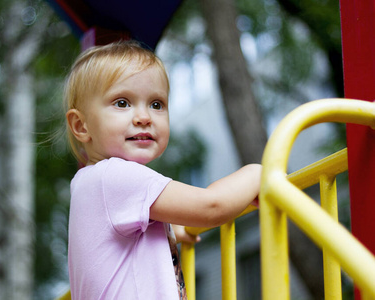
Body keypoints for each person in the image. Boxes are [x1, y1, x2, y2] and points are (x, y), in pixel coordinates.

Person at [64, 40, 261, 300]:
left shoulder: (91, 182)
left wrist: (170, 232)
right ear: (81, 125)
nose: (144, 116)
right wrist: (258, 173)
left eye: (156, 104)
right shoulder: (115, 176)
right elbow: (212, 206)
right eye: (122, 103)